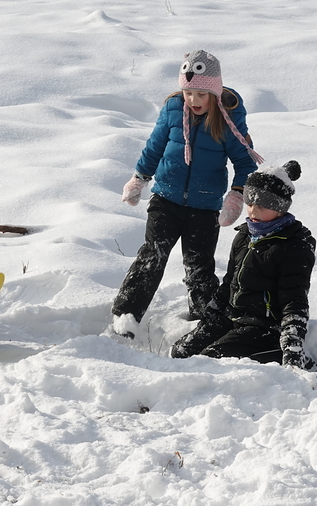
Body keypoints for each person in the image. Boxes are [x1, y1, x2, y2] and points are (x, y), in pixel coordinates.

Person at [112, 50, 263, 339]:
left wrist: (236, 195)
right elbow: (155, 147)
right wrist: (139, 178)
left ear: (214, 93)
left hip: (204, 206)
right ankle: (125, 316)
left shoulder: (228, 119)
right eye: (188, 92)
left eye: (201, 94)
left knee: (199, 267)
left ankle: (204, 322)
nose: (193, 100)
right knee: (152, 256)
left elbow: (245, 163)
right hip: (165, 199)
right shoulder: (173, 109)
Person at [170, 160, 317, 371]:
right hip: (231, 317)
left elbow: (294, 298)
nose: (253, 210)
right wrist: (214, 310)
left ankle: (278, 356)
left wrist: (292, 342)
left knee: (208, 362)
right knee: (181, 351)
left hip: (263, 327)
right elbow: (230, 281)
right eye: (250, 203)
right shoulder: (244, 236)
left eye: (262, 205)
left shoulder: (294, 246)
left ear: (280, 207)